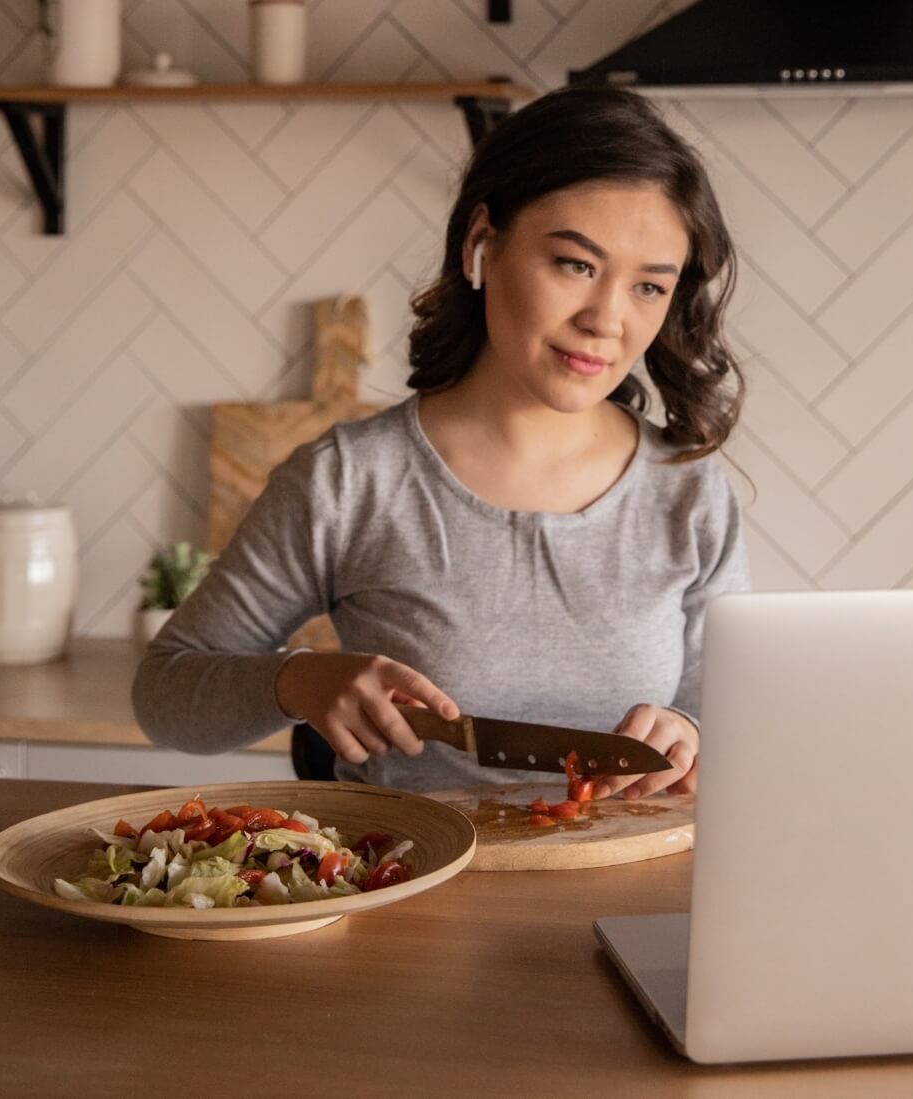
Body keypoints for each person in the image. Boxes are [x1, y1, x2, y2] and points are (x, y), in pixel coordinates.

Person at [132, 85, 751, 799]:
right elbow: (165, 693)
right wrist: (298, 679)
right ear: (482, 242)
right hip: (410, 897)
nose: (607, 320)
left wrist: (691, 732)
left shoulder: (690, 488)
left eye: (648, 287)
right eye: (575, 265)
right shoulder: (349, 481)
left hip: (626, 900)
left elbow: (730, 721)